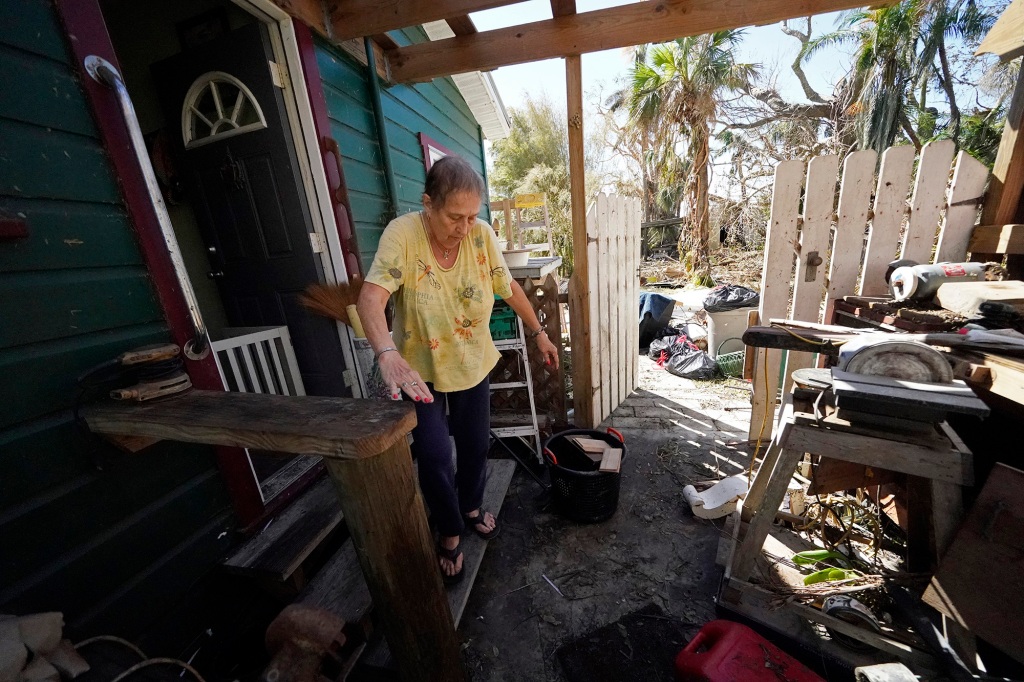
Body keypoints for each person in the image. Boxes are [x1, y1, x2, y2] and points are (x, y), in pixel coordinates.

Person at [357, 156, 559, 585]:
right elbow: (370, 299)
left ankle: (471, 506)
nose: (464, 228)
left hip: (471, 360)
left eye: (471, 217)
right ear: (428, 204)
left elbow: (510, 288)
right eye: (454, 217)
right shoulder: (404, 235)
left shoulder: (481, 238)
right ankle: (449, 530)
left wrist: (539, 332)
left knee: (473, 445)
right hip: (419, 368)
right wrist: (386, 352)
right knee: (432, 454)